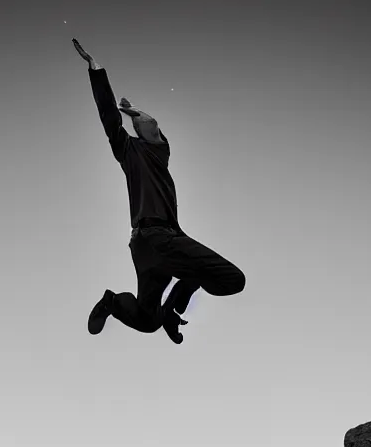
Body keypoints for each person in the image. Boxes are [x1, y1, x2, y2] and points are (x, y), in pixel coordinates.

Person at [73, 38, 245, 344]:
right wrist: (97, 72)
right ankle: (173, 309)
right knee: (231, 279)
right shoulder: (129, 151)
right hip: (160, 239)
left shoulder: (158, 151)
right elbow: (109, 119)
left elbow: (148, 124)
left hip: (145, 248)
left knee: (147, 319)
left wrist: (132, 110)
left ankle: (114, 303)